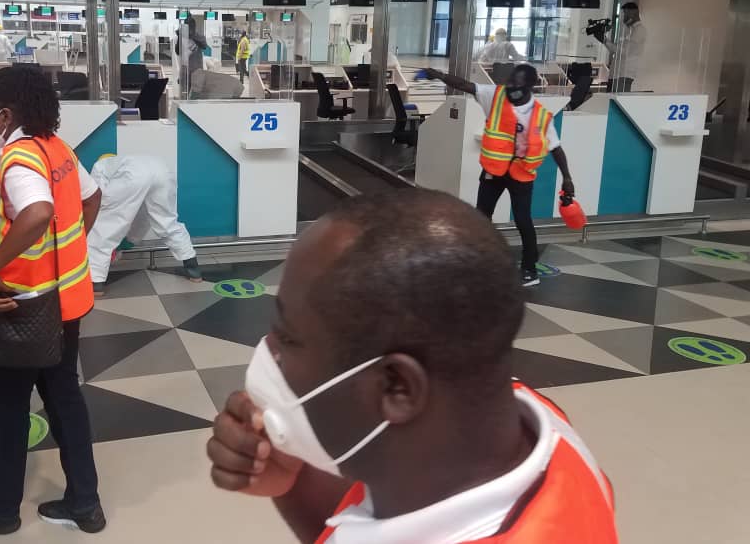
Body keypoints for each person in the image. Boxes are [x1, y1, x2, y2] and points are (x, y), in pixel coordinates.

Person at [207, 191, 618, 544]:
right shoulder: (536, 426)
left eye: (287, 336)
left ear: (397, 387)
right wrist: (295, 482)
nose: (269, 351)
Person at [0, 65, 106, 538]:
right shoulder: (58, 150)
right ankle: (85, 504)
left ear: (5, 115)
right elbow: (93, 200)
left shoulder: (20, 160)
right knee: (65, 401)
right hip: (66, 305)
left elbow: (37, 212)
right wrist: (67, 253)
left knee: (9, 411)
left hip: (22, 309)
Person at [424, 64, 574, 287]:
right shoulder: (494, 96)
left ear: (531, 87)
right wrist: (440, 75)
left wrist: (567, 178)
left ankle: (529, 269)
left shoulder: (541, 116)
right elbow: (466, 85)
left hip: (521, 175)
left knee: (523, 221)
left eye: (518, 84)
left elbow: (556, 148)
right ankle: (476, 262)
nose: (512, 87)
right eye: (511, 82)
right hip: (494, 170)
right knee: (481, 217)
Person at [87, 153, 202, 295]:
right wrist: (128, 240)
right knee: (167, 222)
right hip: (163, 171)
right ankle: (193, 268)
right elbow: (141, 216)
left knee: (105, 226)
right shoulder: (126, 160)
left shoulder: (100, 166)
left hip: (134, 176)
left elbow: (97, 199)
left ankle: (96, 282)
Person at [604, 2, 646, 92]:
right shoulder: (628, 30)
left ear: (634, 12)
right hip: (616, 73)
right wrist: (604, 40)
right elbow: (616, 50)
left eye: (626, 13)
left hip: (624, 74)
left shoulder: (639, 30)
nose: (624, 16)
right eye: (624, 14)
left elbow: (624, 52)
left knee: (617, 102)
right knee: (608, 101)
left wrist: (605, 41)